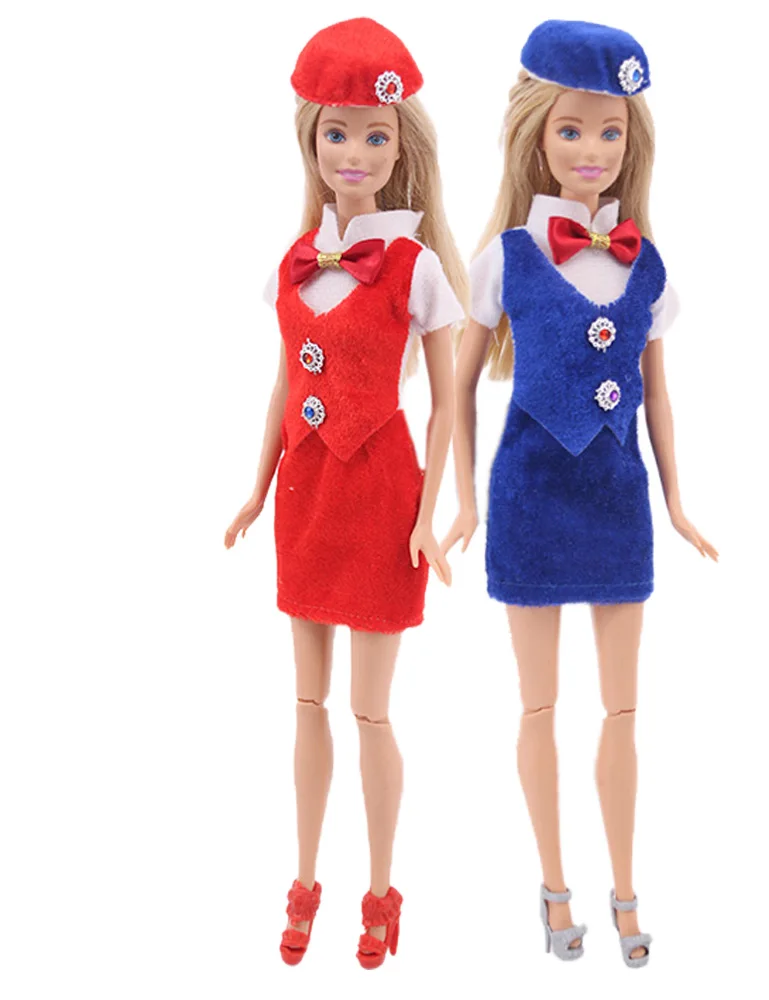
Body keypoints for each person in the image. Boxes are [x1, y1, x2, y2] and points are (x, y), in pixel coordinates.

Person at [443, 19, 718, 968]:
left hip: (618, 502)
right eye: (571, 130)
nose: (592, 150)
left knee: (622, 711)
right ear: (535, 135)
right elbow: (457, 389)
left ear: (633, 141)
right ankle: (554, 887)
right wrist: (463, 502)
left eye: (610, 131)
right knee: (539, 708)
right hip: (527, 499)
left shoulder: (647, 265)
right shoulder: (506, 256)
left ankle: (627, 889)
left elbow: (659, 396)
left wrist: (678, 501)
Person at [224, 17, 465, 970]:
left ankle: (381, 887)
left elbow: (446, 405)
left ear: (401, 148)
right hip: (305, 494)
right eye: (337, 132)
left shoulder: (415, 266)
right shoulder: (295, 258)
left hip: (383, 500)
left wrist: (432, 516)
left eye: (374, 135)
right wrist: (255, 486)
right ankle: (303, 878)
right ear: (311, 140)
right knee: (306, 702)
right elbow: (285, 382)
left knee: (371, 710)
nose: (354, 152)